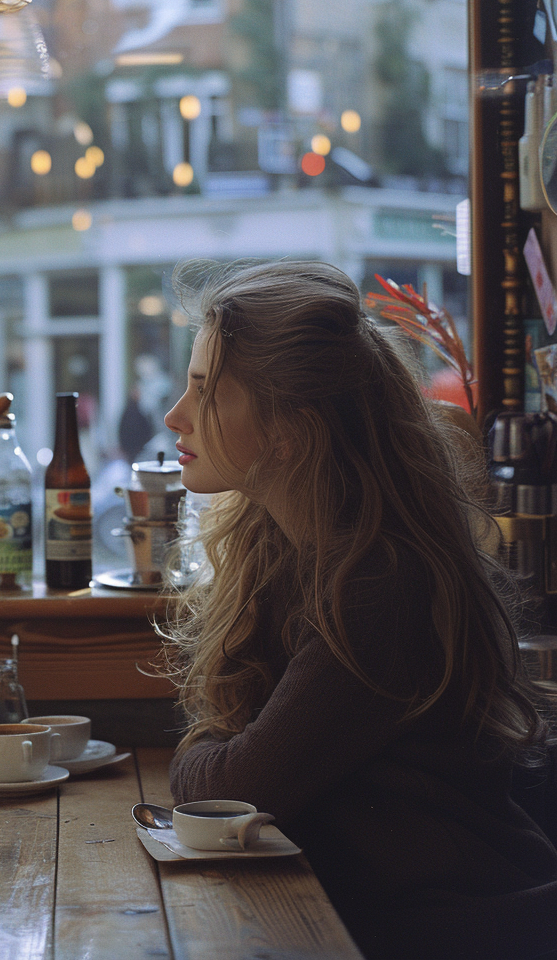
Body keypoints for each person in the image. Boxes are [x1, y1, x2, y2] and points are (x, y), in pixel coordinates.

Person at [161, 260, 557, 960]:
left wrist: (196, 756)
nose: (175, 416)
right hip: (367, 914)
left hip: (456, 930)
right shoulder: (288, 550)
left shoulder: (380, 583)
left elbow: (236, 789)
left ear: (289, 430)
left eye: (207, 393)